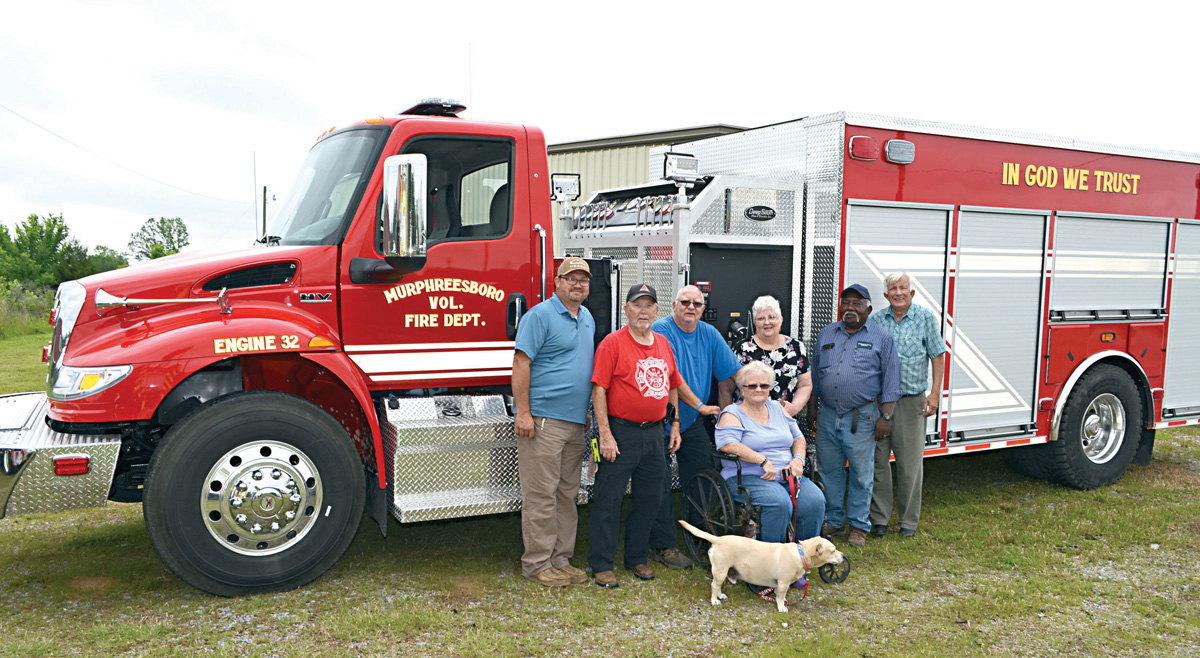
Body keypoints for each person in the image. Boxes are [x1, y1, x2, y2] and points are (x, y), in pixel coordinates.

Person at [588, 283, 689, 588]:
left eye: (648, 305)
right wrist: (605, 435)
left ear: (657, 310)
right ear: (626, 310)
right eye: (637, 305)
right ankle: (602, 563)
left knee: (650, 498)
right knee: (609, 499)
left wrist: (674, 424)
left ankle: (636, 557)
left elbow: (672, 385)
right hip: (621, 432)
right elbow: (599, 389)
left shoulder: (662, 343)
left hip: (655, 433)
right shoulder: (612, 343)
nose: (643, 311)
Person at [512, 256, 596, 587]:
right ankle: (537, 563)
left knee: (567, 494)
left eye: (583, 280)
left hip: (575, 422)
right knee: (541, 494)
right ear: (557, 282)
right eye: (571, 279)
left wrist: (584, 410)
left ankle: (561, 559)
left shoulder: (587, 317)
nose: (578, 285)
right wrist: (523, 413)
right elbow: (521, 364)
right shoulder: (539, 316)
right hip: (544, 420)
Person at [647, 284, 739, 571]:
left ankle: (700, 536)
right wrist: (700, 405)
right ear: (674, 305)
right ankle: (664, 545)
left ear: (703, 309)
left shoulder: (709, 333)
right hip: (660, 420)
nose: (691, 307)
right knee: (660, 484)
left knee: (702, 477)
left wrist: (761, 393)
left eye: (697, 304)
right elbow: (672, 378)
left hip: (689, 422)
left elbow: (734, 373)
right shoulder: (661, 331)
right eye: (685, 302)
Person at [807, 283, 901, 547]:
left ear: (868, 309)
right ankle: (835, 520)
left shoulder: (882, 337)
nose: (850, 308)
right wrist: (812, 407)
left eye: (857, 304)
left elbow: (892, 380)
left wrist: (886, 417)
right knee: (829, 470)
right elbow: (815, 373)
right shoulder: (827, 333)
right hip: (827, 414)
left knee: (861, 473)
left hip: (863, 417)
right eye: (846, 303)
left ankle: (859, 525)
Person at [868, 272, 946, 539]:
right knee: (879, 462)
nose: (898, 292)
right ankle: (879, 519)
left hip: (911, 402)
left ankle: (908, 522)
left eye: (903, 288)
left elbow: (937, 355)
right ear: (886, 295)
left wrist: (934, 394)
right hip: (880, 403)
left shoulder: (925, 318)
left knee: (909, 465)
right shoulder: (877, 321)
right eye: (893, 289)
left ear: (912, 293)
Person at [715, 361, 825, 546]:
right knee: (779, 503)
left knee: (814, 500)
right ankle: (771, 557)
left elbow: (799, 439)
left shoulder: (778, 408)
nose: (759, 389)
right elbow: (728, 445)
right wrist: (762, 460)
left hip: (787, 474)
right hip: (748, 476)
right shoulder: (732, 413)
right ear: (742, 389)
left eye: (764, 385)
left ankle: (803, 553)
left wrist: (798, 459)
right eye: (752, 386)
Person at [734, 295, 813, 463]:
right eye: (761, 318)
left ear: (781, 320)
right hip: (750, 422)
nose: (767, 322)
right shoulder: (742, 348)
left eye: (772, 317)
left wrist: (795, 408)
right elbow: (728, 386)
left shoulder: (796, 347)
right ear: (755, 322)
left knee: (785, 464)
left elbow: (805, 384)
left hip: (786, 420)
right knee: (756, 464)